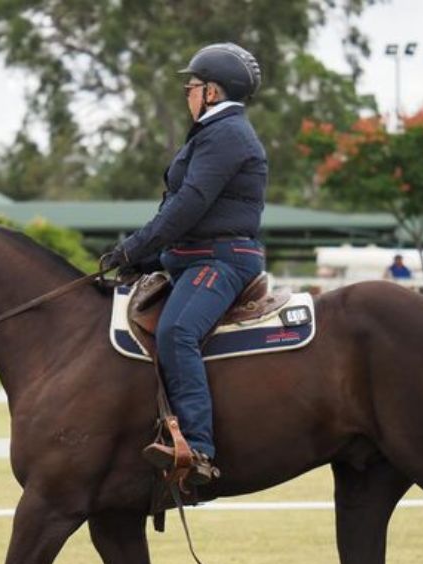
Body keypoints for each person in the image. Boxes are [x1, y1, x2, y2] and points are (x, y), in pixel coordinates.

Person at [103, 43, 267, 485]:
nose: (186, 93)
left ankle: (197, 449)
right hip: (191, 257)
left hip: (222, 260)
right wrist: (147, 257)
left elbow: (190, 205)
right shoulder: (212, 133)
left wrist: (134, 247)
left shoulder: (227, 134)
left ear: (211, 92)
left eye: (190, 86)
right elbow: (182, 211)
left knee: (177, 331)